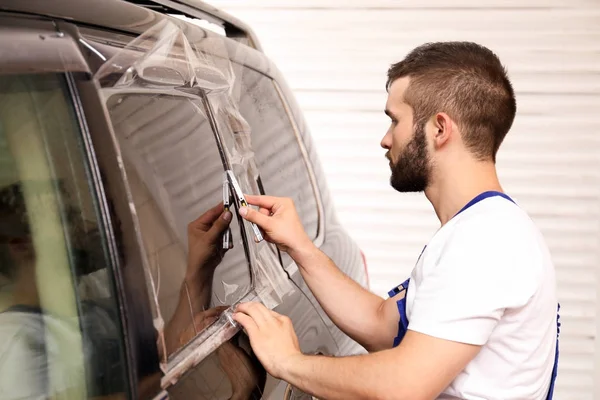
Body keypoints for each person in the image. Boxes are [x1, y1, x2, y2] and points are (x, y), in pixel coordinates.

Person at [231, 41, 559, 399]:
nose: (385, 140)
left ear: (439, 129)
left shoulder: (485, 241)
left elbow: (403, 386)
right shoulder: (487, 227)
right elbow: (380, 323)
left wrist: (287, 362)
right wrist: (300, 247)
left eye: (395, 120)